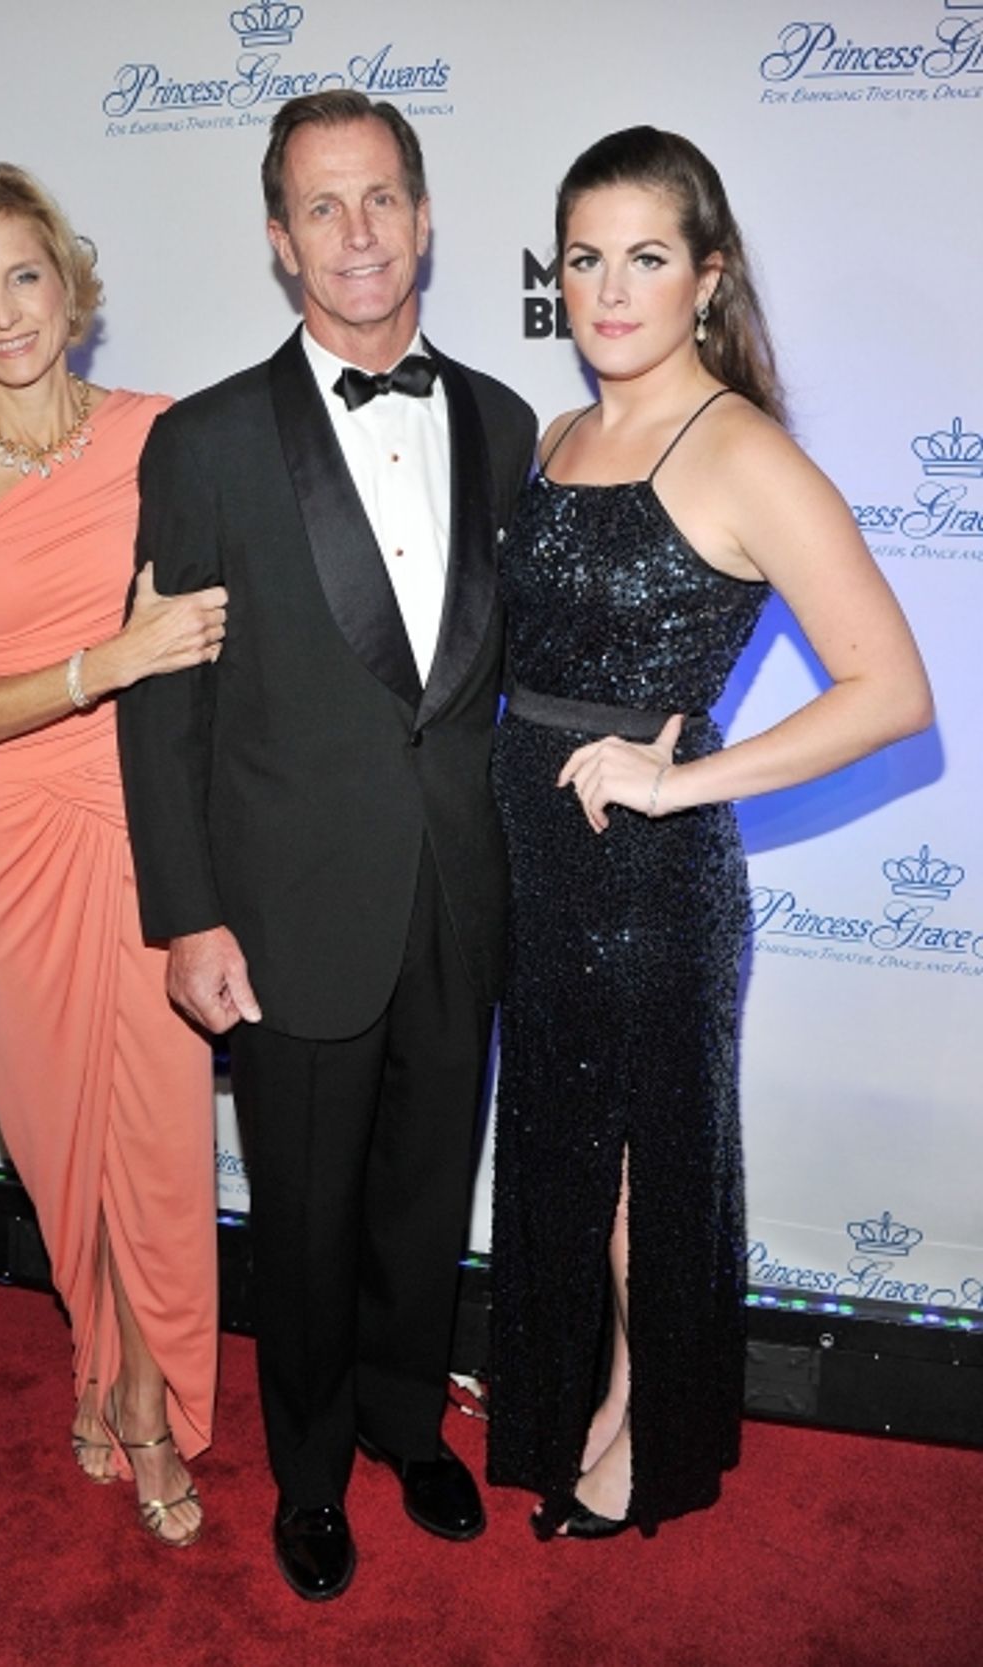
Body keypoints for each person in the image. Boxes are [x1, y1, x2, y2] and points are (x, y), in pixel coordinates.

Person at [117, 91, 536, 1599]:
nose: (357, 233)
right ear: (280, 240)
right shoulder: (206, 439)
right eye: (321, 206)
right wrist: (188, 916)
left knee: (427, 1188)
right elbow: (163, 702)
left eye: (381, 200)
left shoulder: (504, 422)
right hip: (286, 906)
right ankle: (307, 1471)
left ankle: (407, 1424)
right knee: (300, 1215)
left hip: (462, 889)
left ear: (424, 217)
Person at [486, 126, 932, 1541]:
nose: (611, 291)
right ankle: (580, 1395)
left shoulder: (738, 448)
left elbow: (892, 690)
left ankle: (642, 1423)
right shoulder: (557, 438)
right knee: (565, 1148)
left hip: (647, 882)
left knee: (640, 1173)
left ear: (709, 276)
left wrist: (681, 785)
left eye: (647, 258)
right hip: (535, 863)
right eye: (585, 260)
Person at [0, 163, 227, 1548]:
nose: (6, 311)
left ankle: (141, 1406)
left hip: (145, 827)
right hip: (10, 841)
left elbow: (227, 630)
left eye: (24, 274)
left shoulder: (165, 436)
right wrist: (108, 660)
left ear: (71, 286)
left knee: (151, 1141)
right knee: (61, 1148)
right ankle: (103, 1363)